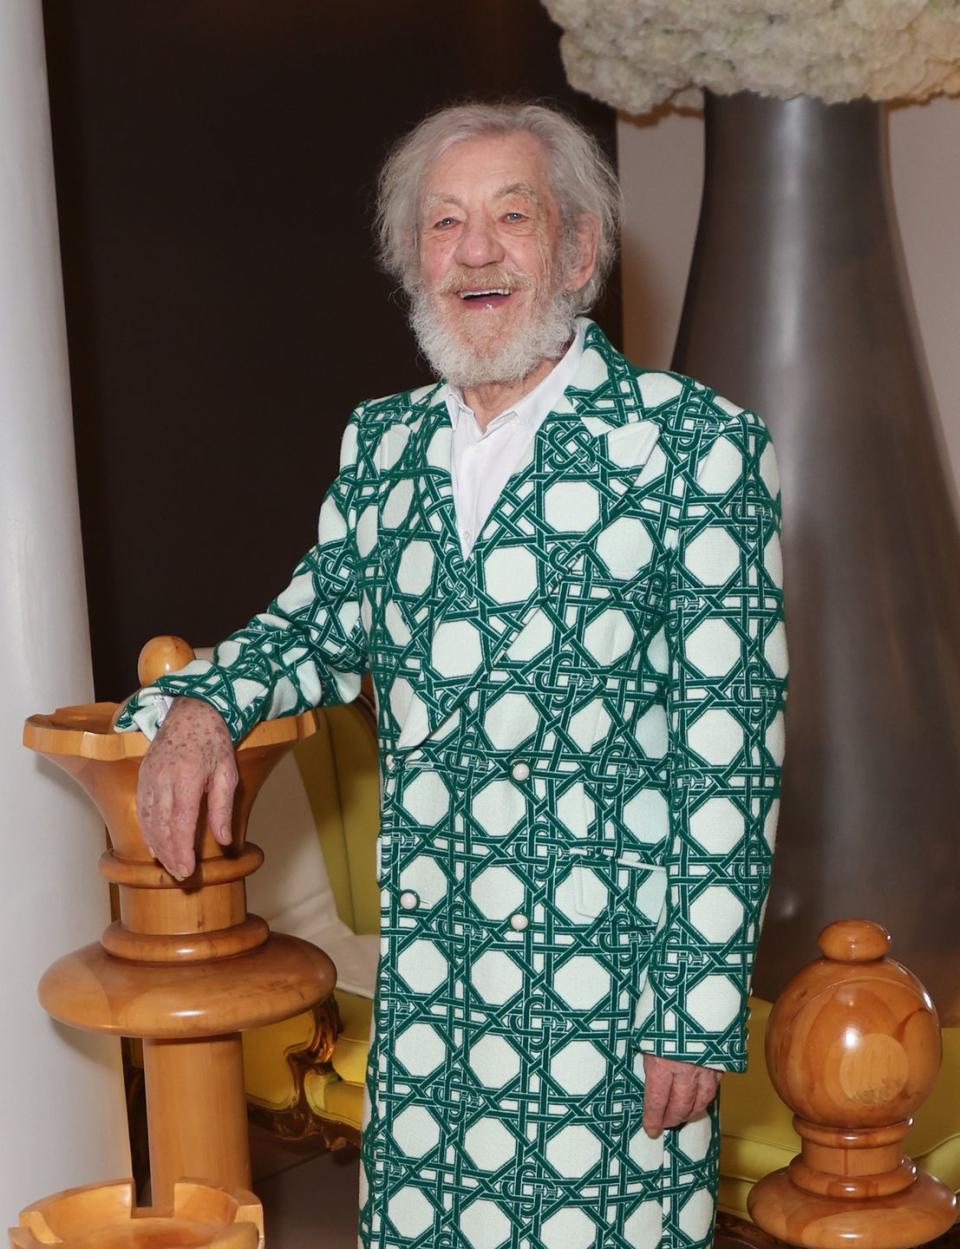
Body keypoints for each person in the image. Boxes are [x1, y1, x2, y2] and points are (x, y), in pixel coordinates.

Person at [116, 101, 787, 1249]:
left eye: (511, 217)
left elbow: (731, 751)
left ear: (576, 249)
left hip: (610, 1000)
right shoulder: (383, 444)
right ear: (411, 258)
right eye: (443, 223)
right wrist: (202, 705)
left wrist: (695, 1005)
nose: (475, 251)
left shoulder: (694, 445)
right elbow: (319, 621)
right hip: (434, 1000)